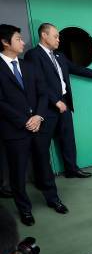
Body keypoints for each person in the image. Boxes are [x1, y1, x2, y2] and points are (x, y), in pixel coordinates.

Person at [0, 24, 67, 226]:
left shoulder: (28, 66)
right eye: (18, 39)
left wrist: (38, 116)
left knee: (44, 164)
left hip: (38, 125)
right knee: (18, 171)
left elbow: (43, 92)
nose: (23, 42)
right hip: (14, 130)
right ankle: (25, 209)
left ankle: (53, 199)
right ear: (5, 42)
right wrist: (24, 121)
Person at [25, 22, 92, 179]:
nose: (59, 40)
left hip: (65, 103)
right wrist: (55, 100)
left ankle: (72, 170)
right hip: (46, 107)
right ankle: (43, 178)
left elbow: (75, 68)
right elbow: (38, 82)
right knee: (42, 146)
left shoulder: (59, 55)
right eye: (55, 36)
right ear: (44, 35)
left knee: (68, 139)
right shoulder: (33, 55)